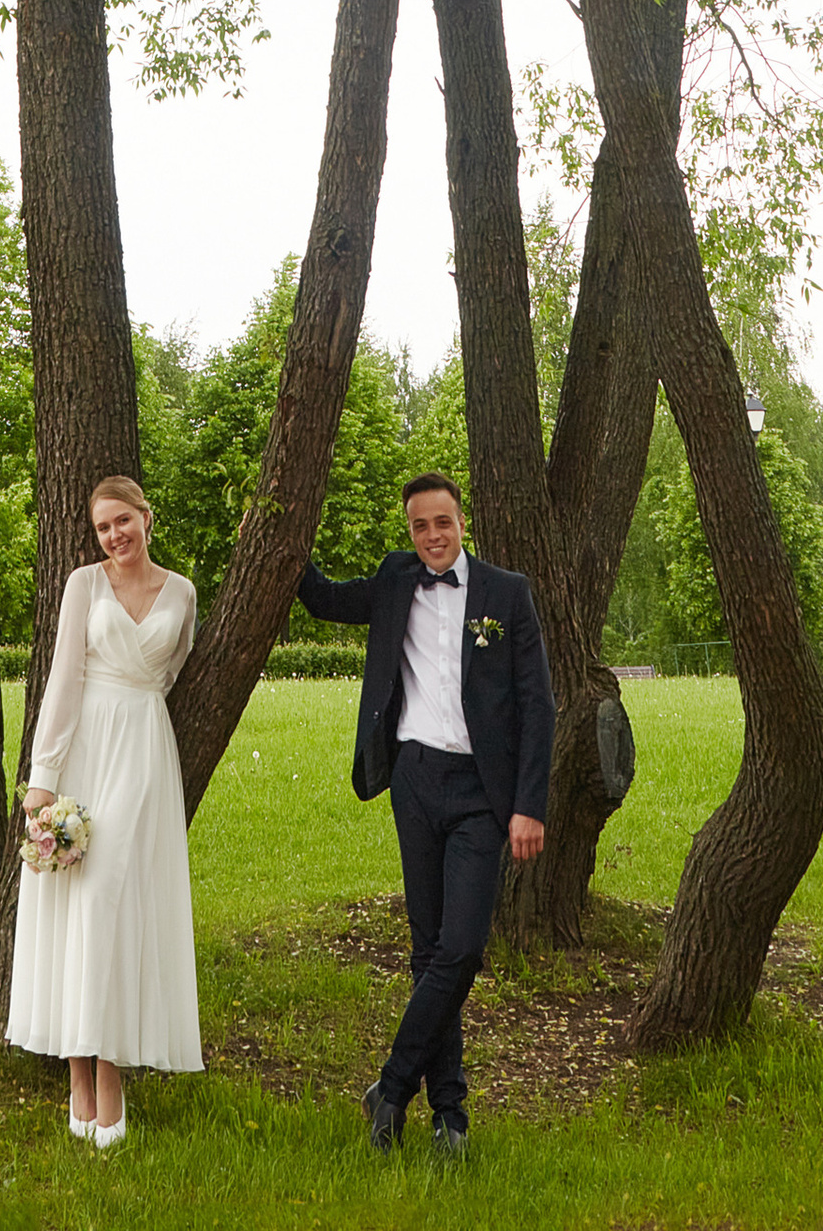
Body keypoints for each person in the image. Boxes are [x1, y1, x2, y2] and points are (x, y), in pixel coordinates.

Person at [297, 469, 555, 1163]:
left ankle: (389, 1087)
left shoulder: (507, 593)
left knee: (462, 949)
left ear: (461, 521)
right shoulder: (394, 580)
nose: (432, 536)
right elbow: (323, 600)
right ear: (409, 529)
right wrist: (279, 538)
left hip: (482, 792)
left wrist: (530, 804)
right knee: (427, 951)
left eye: (442, 523)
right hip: (413, 780)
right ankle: (451, 1115)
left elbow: (539, 706)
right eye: (419, 526)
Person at [7, 472, 203, 1143]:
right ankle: (77, 1076)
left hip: (145, 750)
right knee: (78, 907)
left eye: (124, 520)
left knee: (116, 907)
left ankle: (111, 1070)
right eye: (103, 527)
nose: (115, 535)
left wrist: (140, 709)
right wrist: (43, 777)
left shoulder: (182, 592)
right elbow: (63, 678)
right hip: (87, 747)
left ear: (148, 518)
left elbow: (173, 669)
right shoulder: (83, 586)